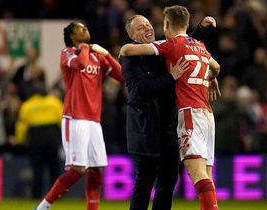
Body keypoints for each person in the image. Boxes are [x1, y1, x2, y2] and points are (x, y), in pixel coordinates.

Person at [120, 5, 221, 210]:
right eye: (140, 27)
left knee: (167, 184)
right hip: (145, 130)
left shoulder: (163, 49)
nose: (147, 28)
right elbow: (140, 91)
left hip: (169, 128)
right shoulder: (131, 60)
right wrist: (170, 77)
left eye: (148, 24)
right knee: (144, 183)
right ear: (131, 35)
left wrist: (200, 29)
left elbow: (184, 44)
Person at [34, 21, 123, 210]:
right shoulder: (68, 53)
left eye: (86, 27)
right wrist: (84, 47)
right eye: (81, 28)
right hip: (75, 118)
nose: (86, 29)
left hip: (94, 120)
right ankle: (43, 207)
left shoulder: (98, 57)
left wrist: (106, 54)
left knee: (96, 169)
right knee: (77, 169)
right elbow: (81, 63)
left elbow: (122, 75)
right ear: (73, 37)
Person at [15, 81, 63, 199]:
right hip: (52, 139)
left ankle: (36, 195)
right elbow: (63, 121)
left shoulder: (27, 106)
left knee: (37, 171)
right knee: (54, 169)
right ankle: (57, 195)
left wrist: (19, 140)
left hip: (35, 140)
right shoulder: (55, 103)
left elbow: (21, 125)